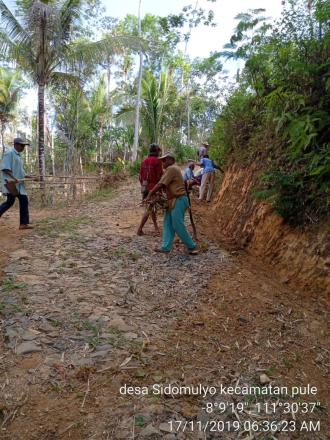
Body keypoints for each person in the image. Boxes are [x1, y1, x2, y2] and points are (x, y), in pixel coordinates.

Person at [145, 152, 198, 255]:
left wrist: (150, 193)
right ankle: (166, 247)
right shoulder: (172, 169)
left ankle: (192, 246)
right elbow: (164, 186)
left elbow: (160, 184)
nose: (163, 162)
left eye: (165, 160)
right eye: (162, 160)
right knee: (167, 223)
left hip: (178, 199)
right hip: (173, 200)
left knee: (177, 225)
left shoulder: (172, 169)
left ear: (171, 160)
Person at [0, 138, 35, 229]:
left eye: (24, 146)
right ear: (16, 144)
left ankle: (23, 224)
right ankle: (23, 223)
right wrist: (14, 179)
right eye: (22, 145)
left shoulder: (18, 156)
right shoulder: (9, 153)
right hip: (10, 183)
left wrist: (29, 177)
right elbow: (5, 168)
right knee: (10, 202)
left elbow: (21, 172)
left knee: (23, 200)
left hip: (18, 185)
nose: (23, 147)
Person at [137, 143, 163, 236]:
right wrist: (160, 188)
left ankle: (156, 227)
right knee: (149, 208)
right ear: (157, 151)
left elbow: (140, 177)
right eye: (159, 151)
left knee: (151, 208)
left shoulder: (144, 161)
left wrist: (144, 186)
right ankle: (139, 229)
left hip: (145, 188)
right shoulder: (158, 161)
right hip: (153, 189)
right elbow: (160, 176)